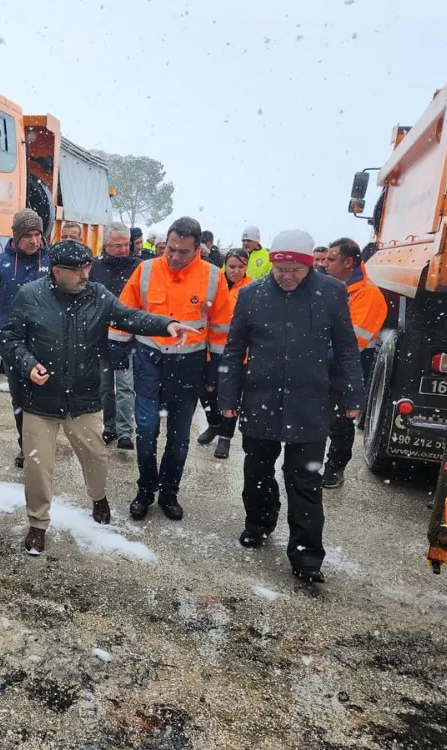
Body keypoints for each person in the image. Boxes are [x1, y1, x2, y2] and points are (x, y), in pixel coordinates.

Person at [1, 240, 192, 555]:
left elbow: (130, 317)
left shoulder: (98, 296)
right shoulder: (30, 296)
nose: (85, 274)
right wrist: (27, 364)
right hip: (41, 399)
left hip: (84, 397)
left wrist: (166, 324)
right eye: (77, 270)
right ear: (57, 271)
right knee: (38, 467)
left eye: (87, 267)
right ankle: (37, 524)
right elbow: (10, 337)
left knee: (96, 458)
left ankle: (98, 496)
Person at [219, 229, 365, 584]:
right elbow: (235, 348)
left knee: (305, 481)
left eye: (294, 271)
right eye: (280, 269)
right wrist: (228, 399)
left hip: (309, 403)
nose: (286, 276)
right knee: (257, 473)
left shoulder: (331, 292)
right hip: (260, 399)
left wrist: (352, 396)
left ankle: (307, 557)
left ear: (308, 268)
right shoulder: (252, 294)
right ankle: (258, 523)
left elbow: (346, 347)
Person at [113, 217, 233, 522]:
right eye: (171, 249)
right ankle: (145, 489)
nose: (175, 257)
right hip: (149, 361)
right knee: (147, 431)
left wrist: (215, 367)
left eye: (183, 252)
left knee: (179, 438)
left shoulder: (212, 277)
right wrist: (117, 346)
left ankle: (169, 492)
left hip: (188, 365)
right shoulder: (147, 270)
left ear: (198, 250)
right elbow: (126, 311)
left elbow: (220, 327)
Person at [0, 209, 50, 468]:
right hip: (14, 344)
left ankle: (43, 444)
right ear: (16, 236)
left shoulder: (51, 260)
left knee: (46, 396)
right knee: (20, 398)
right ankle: (26, 446)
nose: (34, 241)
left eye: (38, 234)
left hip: (47, 341)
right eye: (28, 236)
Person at [321, 237, 388, 488]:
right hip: (324, 365)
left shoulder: (367, 295)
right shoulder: (334, 288)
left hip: (347, 370)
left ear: (349, 262)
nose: (325, 264)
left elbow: (349, 344)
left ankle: (336, 467)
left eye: (331, 259)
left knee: (339, 422)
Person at [197, 247, 252, 458]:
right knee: (206, 391)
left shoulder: (252, 287)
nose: (236, 271)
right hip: (211, 350)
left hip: (240, 354)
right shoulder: (215, 283)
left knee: (231, 396)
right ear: (224, 266)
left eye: (241, 266)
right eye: (232, 266)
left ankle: (225, 438)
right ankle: (213, 424)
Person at [91, 222, 140, 449]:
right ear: (106, 245)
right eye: (117, 245)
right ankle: (109, 426)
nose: (123, 249)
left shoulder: (138, 267)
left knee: (125, 386)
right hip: (101, 336)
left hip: (127, 337)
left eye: (126, 244)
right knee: (104, 386)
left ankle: (125, 432)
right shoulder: (94, 267)